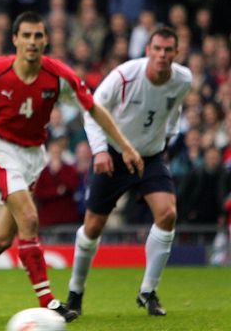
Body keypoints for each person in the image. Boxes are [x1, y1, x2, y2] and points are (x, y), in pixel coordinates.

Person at [0, 11, 143, 323]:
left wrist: (125, 146)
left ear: (46, 40)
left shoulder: (58, 75)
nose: (32, 41)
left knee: (1, 239)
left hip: (33, 157)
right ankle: (48, 301)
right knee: (29, 218)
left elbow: (93, 108)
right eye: (27, 35)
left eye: (38, 36)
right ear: (15, 40)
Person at [67, 27, 191, 317]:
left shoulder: (183, 79)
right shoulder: (124, 76)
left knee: (167, 214)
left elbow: (174, 109)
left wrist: (168, 137)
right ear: (148, 50)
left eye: (168, 50)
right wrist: (99, 150)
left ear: (176, 52)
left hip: (150, 156)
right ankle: (75, 294)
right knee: (93, 227)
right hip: (113, 154)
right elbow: (91, 110)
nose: (162, 55)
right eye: (157, 49)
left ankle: (148, 292)